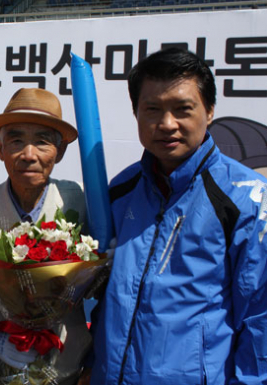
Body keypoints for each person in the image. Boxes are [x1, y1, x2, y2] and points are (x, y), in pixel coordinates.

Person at [90, 47, 267, 384]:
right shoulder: (120, 190)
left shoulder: (246, 199)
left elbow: (260, 316)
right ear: (136, 112)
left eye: (183, 109)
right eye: (152, 109)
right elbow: (104, 296)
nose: (167, 124)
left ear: (210, 110)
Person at [0, 88, 91, 385]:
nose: (29, 155)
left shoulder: (79, 203)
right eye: (16, 141)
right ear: (0, 149)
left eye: (43, 142)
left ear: (59, 152)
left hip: (60, 372)